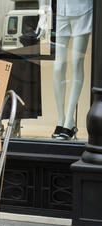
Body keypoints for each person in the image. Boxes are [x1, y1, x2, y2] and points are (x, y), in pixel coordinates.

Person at [37, 0, 93, 140]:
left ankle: (69, 120)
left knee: (76, 63)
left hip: (83, 10)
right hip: (60, 11)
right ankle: (61, 118)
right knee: (58, 67)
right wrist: (42, 12)